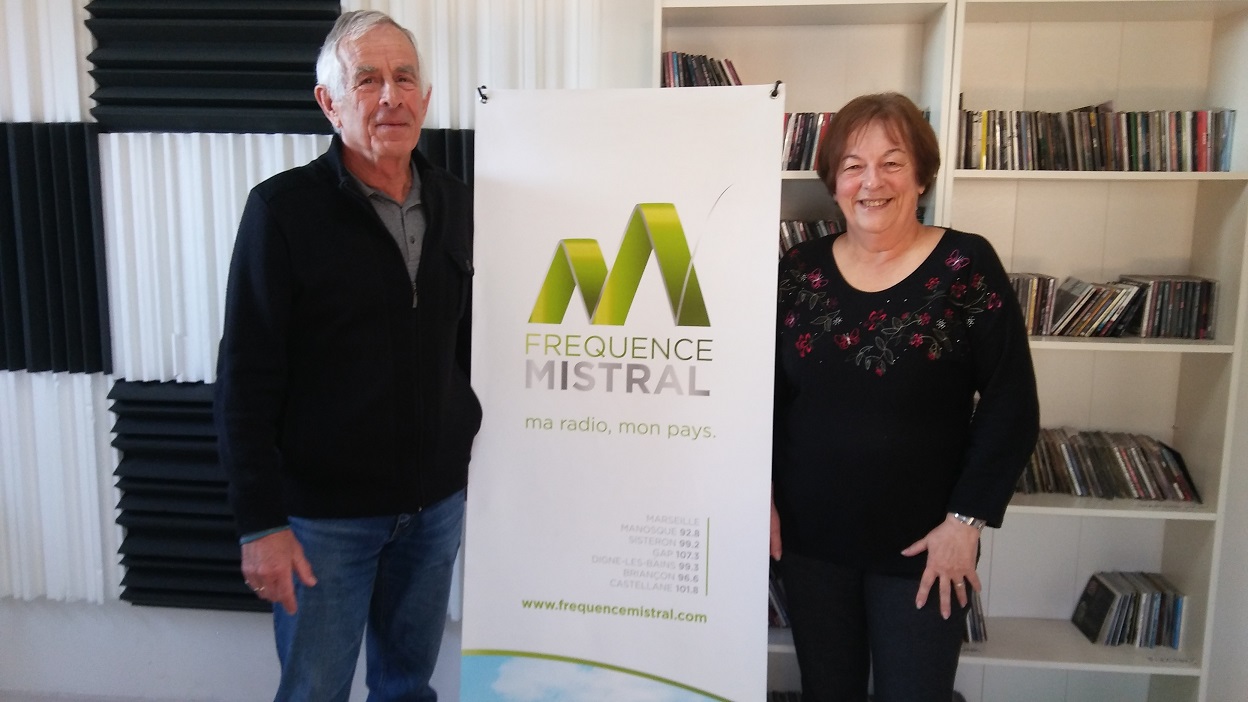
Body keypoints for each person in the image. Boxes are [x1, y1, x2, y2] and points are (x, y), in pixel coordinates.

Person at [214, 10, 481, 701]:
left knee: (407, 687)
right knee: (315, 691)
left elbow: (466, 349)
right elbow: (245, 380)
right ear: (329, 103)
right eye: (367, 80)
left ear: (425, 97)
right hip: (324, 522)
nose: (391, 96)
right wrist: (260, 524)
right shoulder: (282, 212)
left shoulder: (459, 204)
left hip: (434, 509)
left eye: (405, 78)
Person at [770, 92, 1040, 702]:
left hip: (927, 546)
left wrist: (966, 523)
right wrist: (760, 496)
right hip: (811, 542)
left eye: (892, 163)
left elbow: (1012, 403)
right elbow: (767, 396)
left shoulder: (965, 264)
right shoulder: (799, 269)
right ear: (834, 183)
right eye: (853, 166)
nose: (872, 182)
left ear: (921, 176)